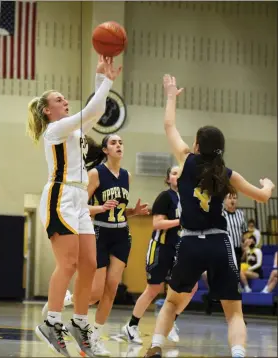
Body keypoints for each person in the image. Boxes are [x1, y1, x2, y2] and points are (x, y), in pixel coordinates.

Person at [144, 74, 275, 358]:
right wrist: (269, 185)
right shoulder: (227, 174)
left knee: (171, 303)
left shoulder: (186, 161)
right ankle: (238, 354)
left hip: (190, 243)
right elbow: (263, 197)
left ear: (197, 146)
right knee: (234, 312)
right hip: (219, 244)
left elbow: (168, 125)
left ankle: (155, 345)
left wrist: (170, 96)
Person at [29, 56, 121, 357]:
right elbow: (93, 110)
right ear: (48, 110)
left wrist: (99, 78)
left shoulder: (75, 131)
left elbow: (93, 115)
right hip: (60, 197)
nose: (64, 100)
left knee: (89, 265)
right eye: (59, 99)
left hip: (80, 200)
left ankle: (80, 324)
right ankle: (51, 321)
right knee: (67, 264)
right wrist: (107, 82)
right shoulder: (54, 131)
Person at [43, 134, 149, 356]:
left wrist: (133, 212)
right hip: (99, 232)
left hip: (121, 235)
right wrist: (99, 208)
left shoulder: (127, 176)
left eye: (121, 142)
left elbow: (118, 209)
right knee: (95, 293)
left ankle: (95, 336)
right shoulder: (95, 174)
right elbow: (81, 207)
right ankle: (65, 300)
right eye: (113, 143)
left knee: (111, 289)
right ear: (105, 150)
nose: (119, 145)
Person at [122, 166, 197, 345]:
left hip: (180, 250)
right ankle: (131, 325)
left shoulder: (189, 199)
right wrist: (180, 221)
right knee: (153, 289)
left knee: (190, 287)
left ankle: (171, 322)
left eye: (181, 174)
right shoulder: (165, 197)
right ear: (168, 178)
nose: (177, 177)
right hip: (160, 248)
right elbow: (157, 224)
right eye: (174, 174)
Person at [223, 193, 248, 270]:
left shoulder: (240, 214)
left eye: (234, 198)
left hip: (237, 249)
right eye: (230, 198)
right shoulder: (221, 214)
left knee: (236, 272)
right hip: (225, 249)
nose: (232, 200)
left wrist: (246, 243)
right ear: (225, 200)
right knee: (227, 272)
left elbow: (245, 231)